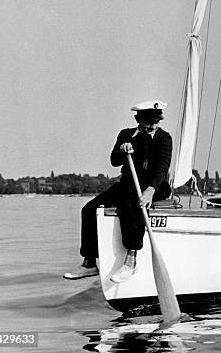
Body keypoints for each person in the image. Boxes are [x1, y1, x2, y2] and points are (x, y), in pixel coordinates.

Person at [64, 100, 172, 283]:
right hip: (128, 183)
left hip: (156, 186)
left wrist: (150, 191)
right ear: (139, 119)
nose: (152, 126)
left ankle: (131, 261)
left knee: (129, 205)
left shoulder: (164, 138)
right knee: (89, 210)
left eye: (156, 122)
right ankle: (90, 263)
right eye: (148, 123)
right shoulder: (126, 135)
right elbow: (114, 160)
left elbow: (162, 167)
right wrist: (123, 149)